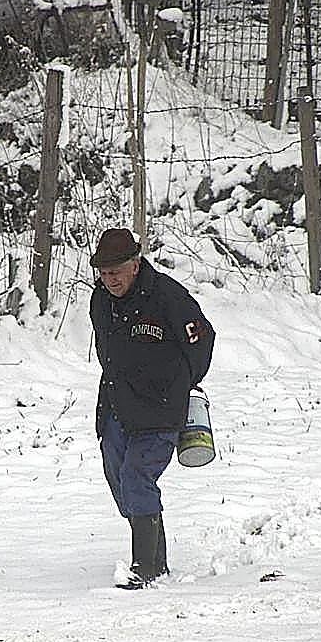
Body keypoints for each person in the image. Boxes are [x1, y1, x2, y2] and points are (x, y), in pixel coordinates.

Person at [89, 227, 215, 589]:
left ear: (135, 264)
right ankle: (154, 558)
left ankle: (145, 568)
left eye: (116, 271)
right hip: (116, 404)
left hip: (160, 409)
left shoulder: (168, 297)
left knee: (136, 477)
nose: (110, 280)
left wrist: (179, 384)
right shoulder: (100, 300)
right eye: (104, 272)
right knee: (120, 481)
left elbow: (202, 340)